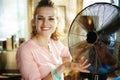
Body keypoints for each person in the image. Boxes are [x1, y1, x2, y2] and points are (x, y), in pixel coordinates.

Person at [16, 0, 91, 80]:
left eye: (51, 19)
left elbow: (69, 53)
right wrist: (63, 67)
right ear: (34, 22)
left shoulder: (55, 43)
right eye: (40, 18)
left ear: (57, 22)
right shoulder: (25, 50)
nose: (45, 23)